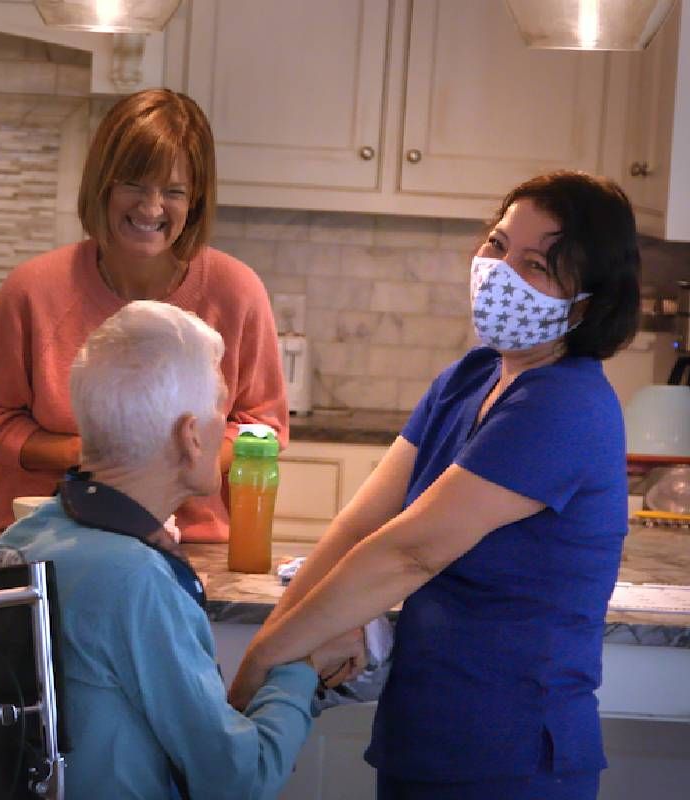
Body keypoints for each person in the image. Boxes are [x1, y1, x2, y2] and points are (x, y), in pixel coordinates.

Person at [226, 171, 641, 799]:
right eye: (498, 245)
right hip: (426, 734)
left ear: (587, 302)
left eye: (537, 265)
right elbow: (360, 529)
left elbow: (409, 552)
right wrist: (280, 641)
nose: (500, 271)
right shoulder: (468, 378)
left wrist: (262, 661)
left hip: (511, 753)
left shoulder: (565, 405)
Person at [0, 300, 364, 800]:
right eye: (222, 413)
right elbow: (238, 780)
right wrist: (304, 665)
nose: (226, 430)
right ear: (191, 436)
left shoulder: (24, 538)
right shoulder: (135, 578)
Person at [0, 88, 288, 542]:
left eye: (173, 191)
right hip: (50, 544)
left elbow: (261, 430)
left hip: (192, 549)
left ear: (196, 200)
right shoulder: (32, 290)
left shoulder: (237, 292)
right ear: (102, 184)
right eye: (134, 185)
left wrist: (160, 467)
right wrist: (90, 456)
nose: (151, 208)